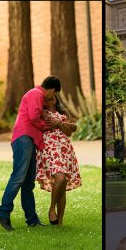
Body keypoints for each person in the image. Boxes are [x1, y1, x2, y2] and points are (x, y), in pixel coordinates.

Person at [0, 76, 63, 230]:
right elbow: (33, 117)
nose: (53, 98)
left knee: (28, 183)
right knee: (18, 177)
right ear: (51, 90)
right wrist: (47, 126)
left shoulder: (37, 95)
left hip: (30, 140)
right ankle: (3, 213)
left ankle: (32, 220)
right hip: (24, 138)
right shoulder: (36, 94)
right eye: (54, 94)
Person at [35, 95, 82, 225]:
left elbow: (69, 132)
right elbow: (71, 127)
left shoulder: (62, 113)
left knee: (62, 185)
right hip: (49, 147)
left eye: (53, 98)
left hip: (64, 149)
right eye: (47, 99)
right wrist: (63, 124)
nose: (51, 100)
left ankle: (59, 223)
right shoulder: (42, 112)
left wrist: (60, 123)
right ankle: (51, 208)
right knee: (60, 177)